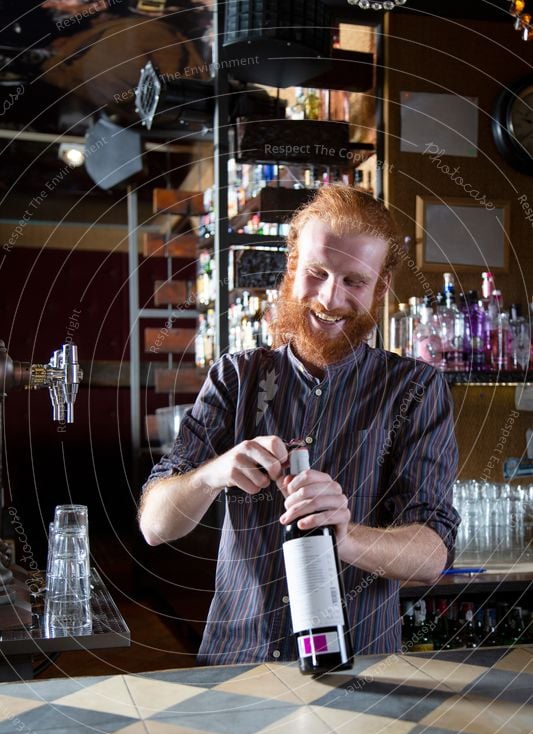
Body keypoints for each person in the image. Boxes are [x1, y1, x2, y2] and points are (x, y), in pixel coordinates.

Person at [139, 185, 460, 665]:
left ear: (382, 288)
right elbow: (155, 525)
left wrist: (346, 536)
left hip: (362, 669)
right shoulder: (236, 377)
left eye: (355, 281)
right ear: (292, 269)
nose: (331, 298)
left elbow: (432, 553)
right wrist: (214, 472)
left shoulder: (415, 389)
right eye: (317, 273)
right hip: (236, 660)